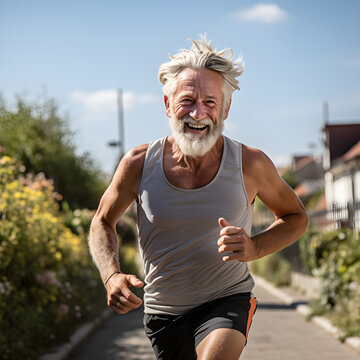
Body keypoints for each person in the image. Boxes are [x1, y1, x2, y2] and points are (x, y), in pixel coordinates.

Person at [88, 36, 308, 360]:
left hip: (227, 299)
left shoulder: (250, 163)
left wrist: (255, 246)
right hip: (163, 314)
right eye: (187, 100)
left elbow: (297, 217)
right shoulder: (138, 164)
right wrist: (111, 275)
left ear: (226, 108)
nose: (198, 113)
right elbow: (102, 221)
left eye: (210, 101)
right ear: (167, 105)